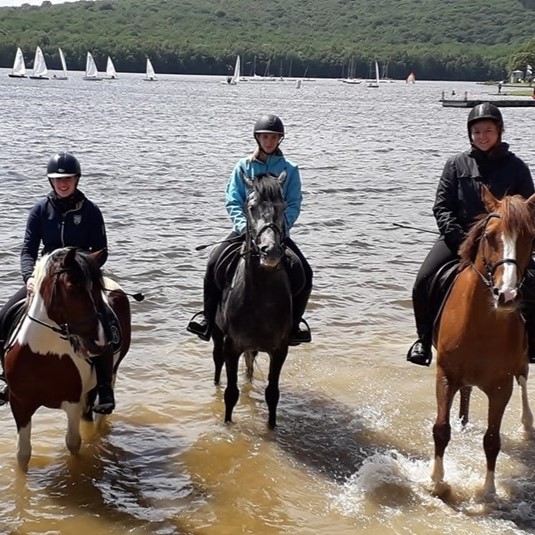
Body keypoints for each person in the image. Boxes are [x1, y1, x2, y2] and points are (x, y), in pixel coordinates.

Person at [407, 102, 535, 366]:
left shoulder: (517, 167)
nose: (482, 136)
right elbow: (442, 207)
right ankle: (422, 340)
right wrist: (459, 239)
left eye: (487, 130)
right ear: (470, 134)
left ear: (499, 131)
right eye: (476, 132)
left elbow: (528, 213)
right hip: (458, 239)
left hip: (504, 245)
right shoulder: (456, 164)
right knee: (423, 280)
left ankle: (531, 341)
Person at [0, 152, 116, 413]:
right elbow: (28, 250)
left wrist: (82, 269)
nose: (63, 184)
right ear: (51, 182)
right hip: (45, 276)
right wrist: (29, 277)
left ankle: (105, 386)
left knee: (104, 320)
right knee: (4, 316)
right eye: (57, 179)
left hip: (80, 276)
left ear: (77, 179)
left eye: (68, 179)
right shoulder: (40, 209)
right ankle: (7, 380)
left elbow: (102, 250)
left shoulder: (91, 211)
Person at [187, 114, 313, 345]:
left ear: (279, 139)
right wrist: (245, 227)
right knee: (213, 262)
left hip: (276, 232)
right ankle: (206, 318)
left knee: (304, 272)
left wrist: (280, 229)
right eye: (265, 136)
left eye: (274, 137)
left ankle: (294, 325)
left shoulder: (290, 169)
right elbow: (233, 201)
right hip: (247, 230)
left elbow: (294, 202)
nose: (269, 141)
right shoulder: (243, 167)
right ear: (258, 138)